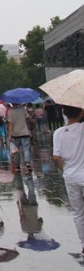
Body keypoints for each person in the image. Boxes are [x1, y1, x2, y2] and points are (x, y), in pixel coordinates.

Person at [52, 105, 84, 254]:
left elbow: (56, 157)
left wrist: (65, 170)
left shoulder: (58, 133)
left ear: (64, 112)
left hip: (70, 176)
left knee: (78, 212)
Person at [7, 103, 34, 175]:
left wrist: (10, 135)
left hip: (15, 134)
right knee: (26, 149)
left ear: (12, 103)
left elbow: (10, 124)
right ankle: (28, 163)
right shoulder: (23, 109)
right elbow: (28, 119)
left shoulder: (10, 111)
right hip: (25, 132)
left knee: (16, 151)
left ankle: (17, 166)